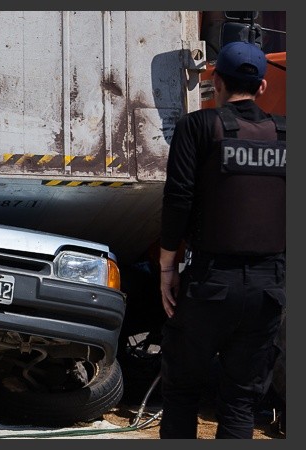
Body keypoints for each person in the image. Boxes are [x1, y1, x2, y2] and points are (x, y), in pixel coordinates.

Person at [157, 41, 285, 439]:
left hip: (211, 283)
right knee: (240, 402)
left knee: (181, 393)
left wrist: (166, 267)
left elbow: (178, 200)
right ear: (262, 86)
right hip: (269, 288)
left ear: (215, 79)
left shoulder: (196, 127)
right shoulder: (286, 134)